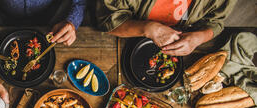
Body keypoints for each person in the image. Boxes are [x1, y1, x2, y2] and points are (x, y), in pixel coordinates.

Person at [96, 0, 238, 56]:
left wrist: (199, 37)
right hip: (121, 41)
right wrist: (147, 28)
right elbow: (106, 20)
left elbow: (215, 21)